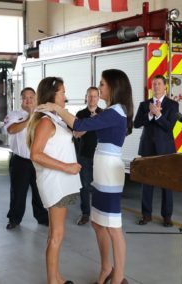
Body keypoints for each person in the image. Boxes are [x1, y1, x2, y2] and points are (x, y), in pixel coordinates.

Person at [36, 70, 133, 284]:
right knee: (98, 223)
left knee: (113, 227)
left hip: (109, 171)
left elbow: (79, 125)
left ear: (114, 87)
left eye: (103, 85)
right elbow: (80, 129)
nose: (99, 89)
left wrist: (56, 108)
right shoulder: (109, 112)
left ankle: (118, 277)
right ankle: (106, 268)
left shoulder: (116, 111)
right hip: (101, 170)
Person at [27, 77, 82, 284]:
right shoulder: (45, 121)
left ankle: (56, 277)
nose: (65, 97)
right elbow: (36, 154)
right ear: (52, 95)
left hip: (61, 182)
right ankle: (53, 281)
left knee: (56, 233)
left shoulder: (55, 118)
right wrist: (67, 167)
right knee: (56, 235)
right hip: (55, 182)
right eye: (62, 93)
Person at [134, 75, 179, 227]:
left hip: (165, 150)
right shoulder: (144, 104)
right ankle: (146, 215)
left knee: (167, 184)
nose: (156, 86)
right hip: (147, 149)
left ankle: (167, 216)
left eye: (159, 84)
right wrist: (149, 114)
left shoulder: (173, 105)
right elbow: (136, 123)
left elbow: (169, 127)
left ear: (165, 86)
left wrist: (158, 114)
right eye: (154, 84)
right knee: (147, 183)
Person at [4, 87, 49, 230]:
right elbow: (11, 129)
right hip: (20, 161)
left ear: (36, 98)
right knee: (18, 192)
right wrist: (29, 118)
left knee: (39, 191)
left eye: (31, 97)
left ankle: (42, 217)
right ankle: (14, 219)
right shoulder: (14, 115)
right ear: (21, 99)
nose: (28, 100)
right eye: (25, 97)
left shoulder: (43, 115)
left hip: (38, 160)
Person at [73, 87, 102, 226]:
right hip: (84, 154)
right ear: (86, 97)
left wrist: (96, 121)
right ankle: (85, 214)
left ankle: (99, 213)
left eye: (95, 96)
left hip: (100, 156)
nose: (92, 99)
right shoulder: (80, 114)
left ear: (99, 97)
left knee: (99, 185)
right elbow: (76, 134)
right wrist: (90, 124)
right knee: (84, 186)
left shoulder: (104, 113)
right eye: (90, 96)